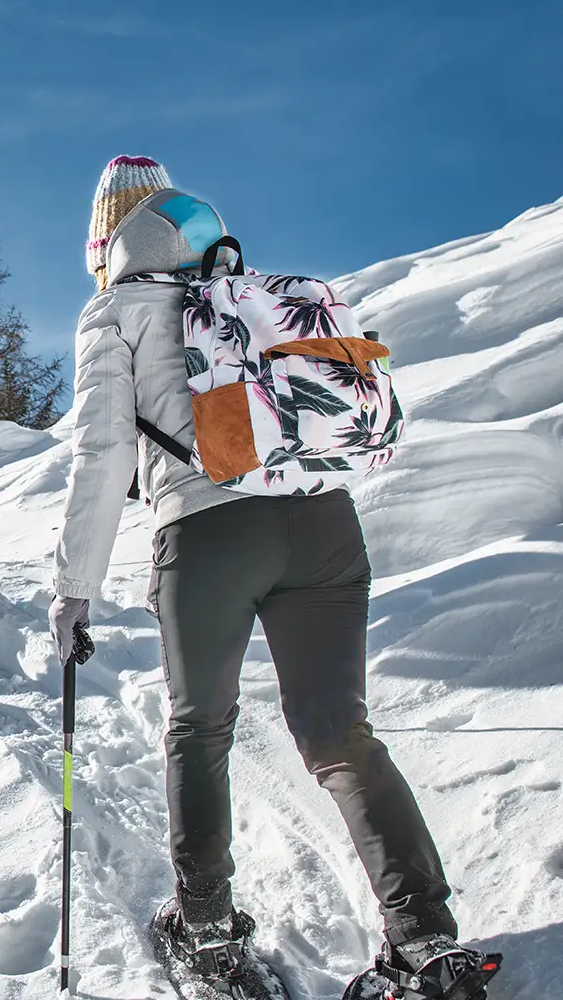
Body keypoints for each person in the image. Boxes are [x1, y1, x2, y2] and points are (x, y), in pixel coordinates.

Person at [50, 157, 467, 991]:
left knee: (199, 729)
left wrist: (72, 590)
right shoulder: (245, 295)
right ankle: (424, 933)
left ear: (106, 237)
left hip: (209, 537)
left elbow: (103, 456)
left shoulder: (116, 309)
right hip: (324, 527)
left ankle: (205, 925)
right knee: (341, 734)